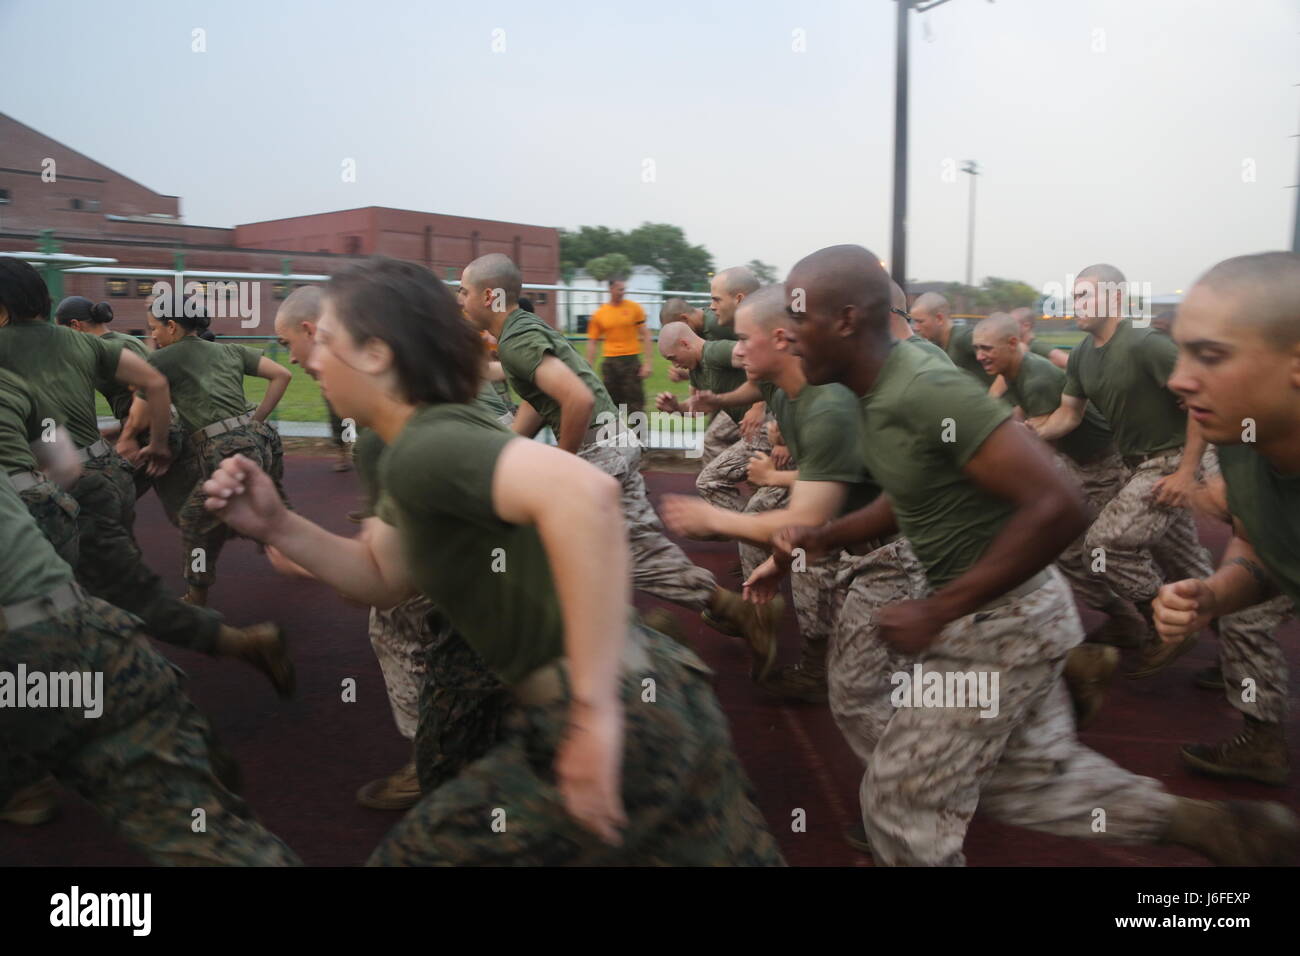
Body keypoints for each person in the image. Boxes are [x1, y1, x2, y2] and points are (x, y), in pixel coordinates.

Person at [203, 256, 785, 866]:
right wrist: (279, 525)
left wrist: (590, 717)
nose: (307, 359)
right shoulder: (406, 444)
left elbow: (585, 492)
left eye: (323, 341)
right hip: (643, 700)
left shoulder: (430, 443)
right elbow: (384, 579)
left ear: (376, 353)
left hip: (622, 716)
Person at [763, 243, 1298, 866]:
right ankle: (1217, 829)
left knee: (900, 802)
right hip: (1010, 618)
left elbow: (1060, 502)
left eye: (799, 317)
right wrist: (828, 535)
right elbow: (916, 487)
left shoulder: (923, 389)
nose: (787, 333)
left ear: (848, 319)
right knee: (1030, 783)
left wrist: (937, 612)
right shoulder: (880, 392)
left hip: (996, 627)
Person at [459, 253, 782, 678]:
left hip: (598, 449)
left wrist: (562, 465)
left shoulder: (517, 338)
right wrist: (508, 448)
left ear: (488, 295)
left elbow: (576, 399)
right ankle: (732, 612)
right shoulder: (519, 332)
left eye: (463, 291)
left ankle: (627, 654)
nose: (460, 299)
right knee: (634, 549)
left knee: (563, 550)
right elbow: (545, 401)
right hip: (610, 443)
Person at [0, 257, 291, 697]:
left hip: (59, 488)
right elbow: (154, 383)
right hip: (106, 478)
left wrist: (143, 441)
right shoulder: (84, 343)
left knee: (86, 593)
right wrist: (154, 442)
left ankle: (140, 687)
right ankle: (224, 644)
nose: (153, 330)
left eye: (158, 324)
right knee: (118, 584)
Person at [273, 286, 511, 810]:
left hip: (489, 599)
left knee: (393, 624)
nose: (290, 358)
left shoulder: (388, 437)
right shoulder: (438, 397)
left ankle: (430, 761)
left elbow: (382, 583)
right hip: (511, 582)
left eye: (293, 343)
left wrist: (292, 543)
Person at [0, 475, 300, 863]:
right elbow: (65, 463)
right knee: (133, 601)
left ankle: (26, 783)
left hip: (27, 646)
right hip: (69, 554)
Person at [1031, 263, 1274, 680]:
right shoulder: (1083, 356)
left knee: (1105, 547)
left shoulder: (1146, 345)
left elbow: (1202, 401)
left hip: (1173, 461)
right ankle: (1238, 663)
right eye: (1076, 296)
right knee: (1191, 572)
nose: (1078, 305)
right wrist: (1022, 434)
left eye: (1087, 295)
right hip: (1140, 467)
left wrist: (1186, 472)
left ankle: (1162, 623)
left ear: (1117, 299)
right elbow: (1067, 416)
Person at [661, 286, 879, 704]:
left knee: (871, 693)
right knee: (779, 539)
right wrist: (776, 560)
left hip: (908, 543)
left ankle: (817, 663)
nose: (735, 353)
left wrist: (717, 519)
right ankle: (764, 615)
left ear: (781, 339)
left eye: (743, 340)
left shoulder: (825, 404)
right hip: (853, 514)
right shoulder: (784, 391)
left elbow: (809, 520)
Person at [1153, 252, 1299, 786]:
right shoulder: (1244, 438)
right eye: (1181, 355)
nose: (1177, 380)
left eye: (1210, 356)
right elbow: (1257, 545)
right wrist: (1215, 595)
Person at [972, 312, 1149, 653]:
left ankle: (1142, 617)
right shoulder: (1015, 369)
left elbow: (1039, 450)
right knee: (1075, 550)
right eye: (976, 348)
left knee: (1089, 550)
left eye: (986, 348)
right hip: (1080, 462)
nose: (980, 355)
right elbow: (1011, 418)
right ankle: (1130, 615)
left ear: (1013, 343)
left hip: (1101, 466)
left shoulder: (1035, 376)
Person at [123, 304, 293, 610]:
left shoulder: (162, 358)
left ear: (172, 326)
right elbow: (282, 374)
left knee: (193, 520)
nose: (153, 335)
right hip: (259, 442)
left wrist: (153, 442)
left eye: (154, 328)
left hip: (224, 452)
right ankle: (291, 549)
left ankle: (196, 594)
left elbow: (140, 413)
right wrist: (256, 421)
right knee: (271, 501)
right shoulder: (229, 350)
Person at [55, 296, 196, 520]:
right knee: (181, 509)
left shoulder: (111, 347)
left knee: (102, 504)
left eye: (60, 330)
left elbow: (149, 390)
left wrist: (128, 436)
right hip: (151, 430)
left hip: (152, 434)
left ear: (75, 325)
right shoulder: (114, 343)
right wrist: (117, 431)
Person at [585, 278, 650, 419]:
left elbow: (646, 335)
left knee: (635, 403)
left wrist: (647, 363)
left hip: (631, 361)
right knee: (610, 404)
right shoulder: (600, 313)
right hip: (610, 362)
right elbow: (592, 341)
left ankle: (639, 437)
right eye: (620, 289)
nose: (622, 293)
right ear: (611, 289)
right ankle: (614, 437)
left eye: (624, 289)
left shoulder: (634, 308)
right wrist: (588, 365)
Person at [909, 292, 996, 388]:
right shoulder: (935, 345)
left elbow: (1007, 353)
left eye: (920, 321)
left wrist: (994, 396)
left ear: (939, 318)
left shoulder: (963, 337)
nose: (916, 327)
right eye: (914, 321)